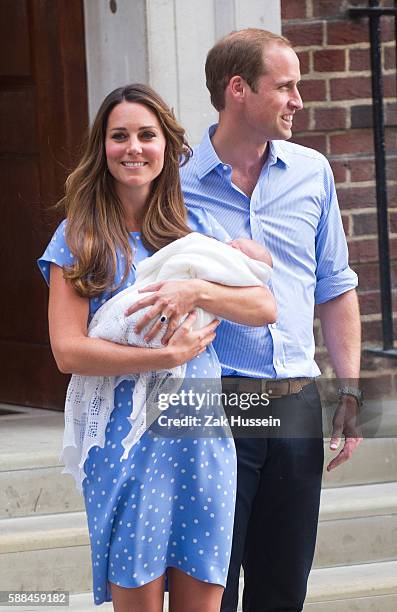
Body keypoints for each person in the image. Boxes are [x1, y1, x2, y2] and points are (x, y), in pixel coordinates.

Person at [37, 83, 276, 612]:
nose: (133, 148)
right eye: (119, 136)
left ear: (166, 146)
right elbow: (67, 352)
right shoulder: (79, 237)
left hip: (198, 436)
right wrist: (164, 357)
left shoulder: (196, 228)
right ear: (103, 149)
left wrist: (195, 290)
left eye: (147, 135)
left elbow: (265, 306)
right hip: (125, 445)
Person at [178, 29, 362, 612]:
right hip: (214, 400)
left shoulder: (313, 172)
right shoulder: (173, 184)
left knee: (283, 589)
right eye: (285, 86)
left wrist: (349, 389)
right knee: (211, 586)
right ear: (238, 90)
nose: (299, 100)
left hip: (296, 401)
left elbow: (335, 287)